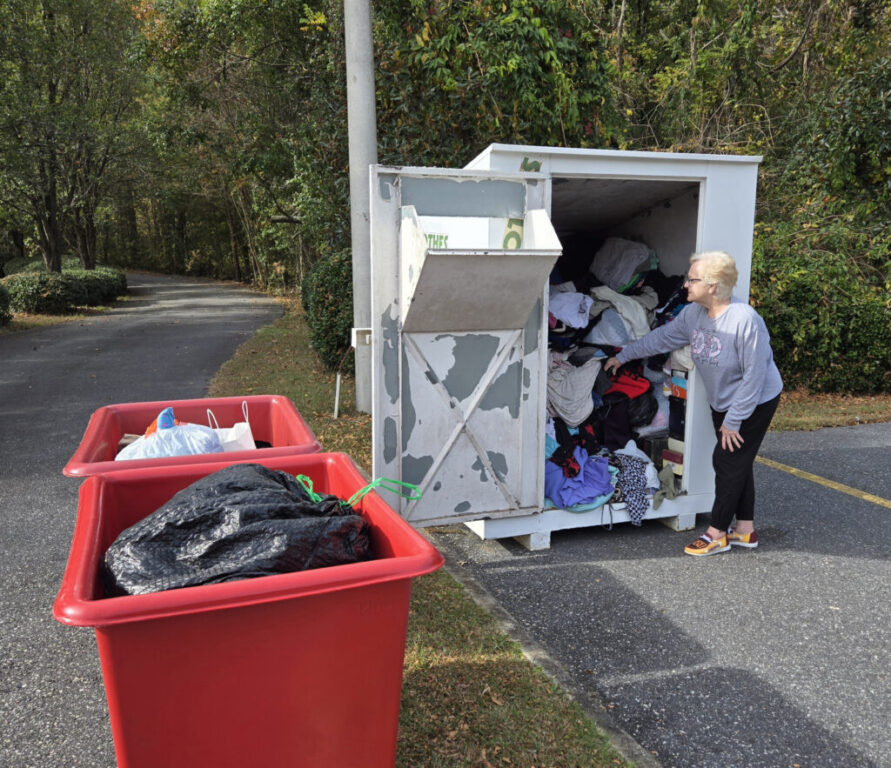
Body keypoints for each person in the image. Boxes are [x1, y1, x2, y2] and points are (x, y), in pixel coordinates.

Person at [604, 251, 783, 556]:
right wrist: (623, 355)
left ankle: (716, 533)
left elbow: (754, 378)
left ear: (713, 285)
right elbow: (662, 338)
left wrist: (734, 419)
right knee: (737, 463)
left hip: (754, 401)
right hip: (723, 400)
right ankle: (745, 531)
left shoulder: (744, 320)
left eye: (692, 279)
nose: (685, 284)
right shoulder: (692, 315)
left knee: (726, 462)